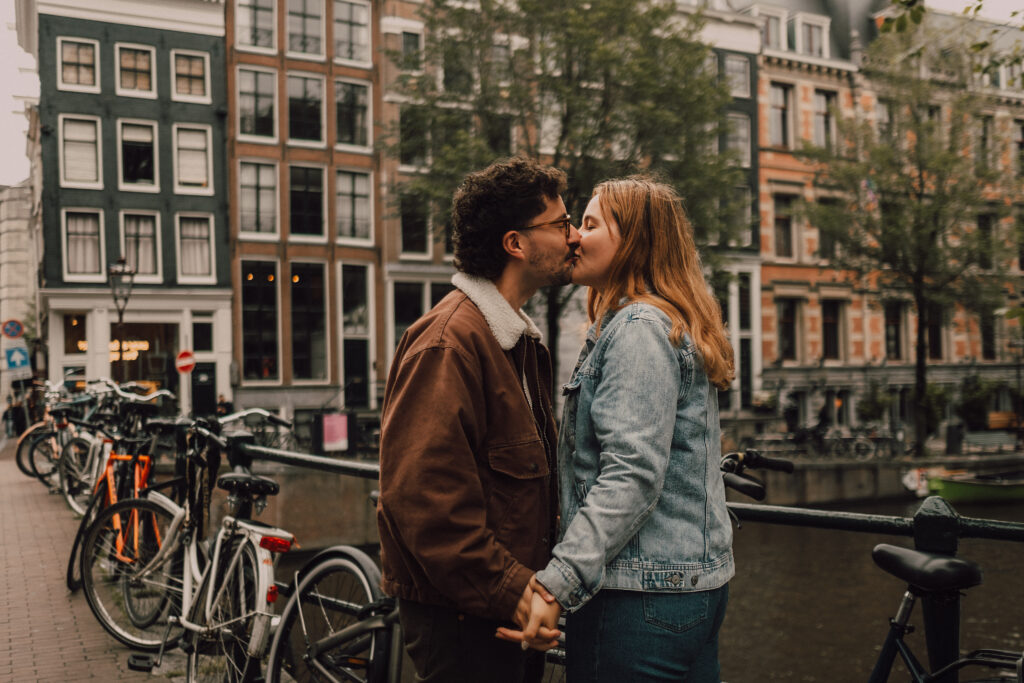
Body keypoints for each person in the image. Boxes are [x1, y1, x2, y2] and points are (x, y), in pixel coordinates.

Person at [500, 176, 736, 682]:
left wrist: (554, 584)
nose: (574, 238)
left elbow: (631, 474)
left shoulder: (637, 329)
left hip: (640, 599)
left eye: (588, 223)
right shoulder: (664, 321)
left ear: (632, 241)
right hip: (690, 587)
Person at [376, 156, 581, 683]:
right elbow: (424, 499)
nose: (574, 236)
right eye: (560, 225)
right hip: (465, 621)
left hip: (495, 610)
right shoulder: (449, 343)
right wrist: (517, 592)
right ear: (516, 244)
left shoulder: (510, 338)